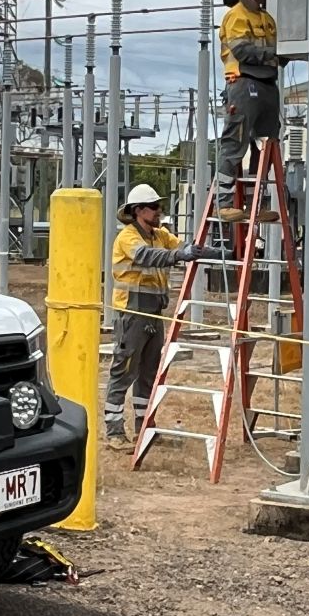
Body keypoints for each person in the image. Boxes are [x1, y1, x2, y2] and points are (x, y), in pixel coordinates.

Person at [104, 183, 211, 448]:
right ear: (138, 210)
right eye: (153, 207)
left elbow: (186, 247)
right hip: (132, 312)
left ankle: (145, 428)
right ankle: (115, 432)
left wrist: (222, 254)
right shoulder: (129, 237)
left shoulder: (159, 234)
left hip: (153, 312)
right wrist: (180, 255)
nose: (158, 211)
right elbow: (148, 256)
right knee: (124, 370)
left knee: (149, 372)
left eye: (159, 206)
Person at [216, 0, 283, 222]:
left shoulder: (267, 20)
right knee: (236, 141)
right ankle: (223, 203)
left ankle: (257, 203)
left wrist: (274, 57)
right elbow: (243, 52)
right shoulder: (236, 15)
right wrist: (274, 55)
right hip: (243, 82)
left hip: (267, 84)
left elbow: (278, 55)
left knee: (265, 145)